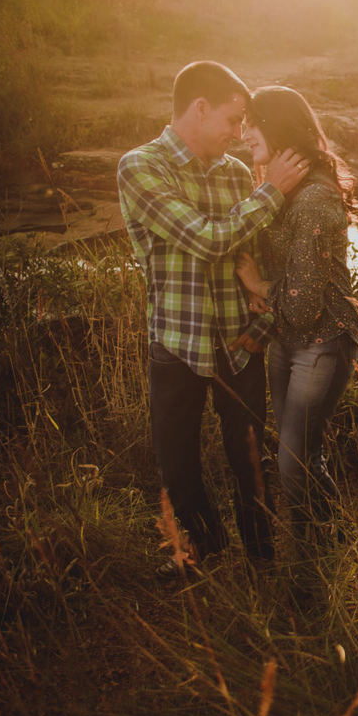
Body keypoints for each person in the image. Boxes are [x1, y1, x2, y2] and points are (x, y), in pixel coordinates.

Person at [117, 61, 309, 577]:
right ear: (199, 108)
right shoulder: (141, 167)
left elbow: (255, 262)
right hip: (176, 344)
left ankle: (263, 560)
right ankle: (210, 556)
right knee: (178, 466)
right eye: (233, 119)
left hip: (238, 342)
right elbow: (203, 239)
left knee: (250, 460)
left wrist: (261, 330)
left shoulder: (237, 173)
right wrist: (274, 193)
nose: (240, 132)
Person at [233, 85, 358, 551]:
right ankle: (324, 542)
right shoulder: (286, 191)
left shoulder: (311, 200)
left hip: (321, 342)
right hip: (287, 339)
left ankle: (322, 548)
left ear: (280, 125)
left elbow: (305, 302)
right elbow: (290, 283)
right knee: (303, 453)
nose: (244, 133)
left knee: (293, 458)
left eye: (252, 121)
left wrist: (257, 288)